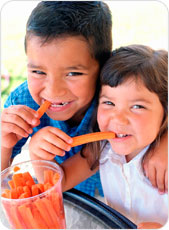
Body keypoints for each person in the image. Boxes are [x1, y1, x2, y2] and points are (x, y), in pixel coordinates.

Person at [1, 1, 167, 196]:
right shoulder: (23, 103)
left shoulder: (117, 91)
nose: (53, 90)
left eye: (73, 73)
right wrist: (4, 144)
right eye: (38, 71)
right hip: (77, 198)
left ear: (105, 66)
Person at [30, 44, 168, 228]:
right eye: (109, 102)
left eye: (137, 106)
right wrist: (38, 154)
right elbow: (59, 183)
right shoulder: (102, 148)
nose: (118, 118)